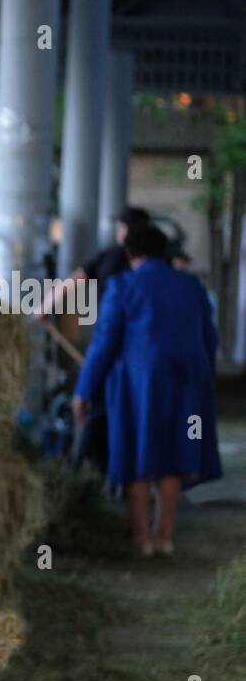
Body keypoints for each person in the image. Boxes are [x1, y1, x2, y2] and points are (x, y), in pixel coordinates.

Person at [72, 223, 222, 556]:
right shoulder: (191, 286)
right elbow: (209, 339)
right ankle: (164, 536)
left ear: (130, 253)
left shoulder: (123, 285)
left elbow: (104, 343)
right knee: (174, 455)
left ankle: (141, 539)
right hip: (186, 381)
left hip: (138, 383)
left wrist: (84, 390)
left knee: (134, 453)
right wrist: (205, 380)